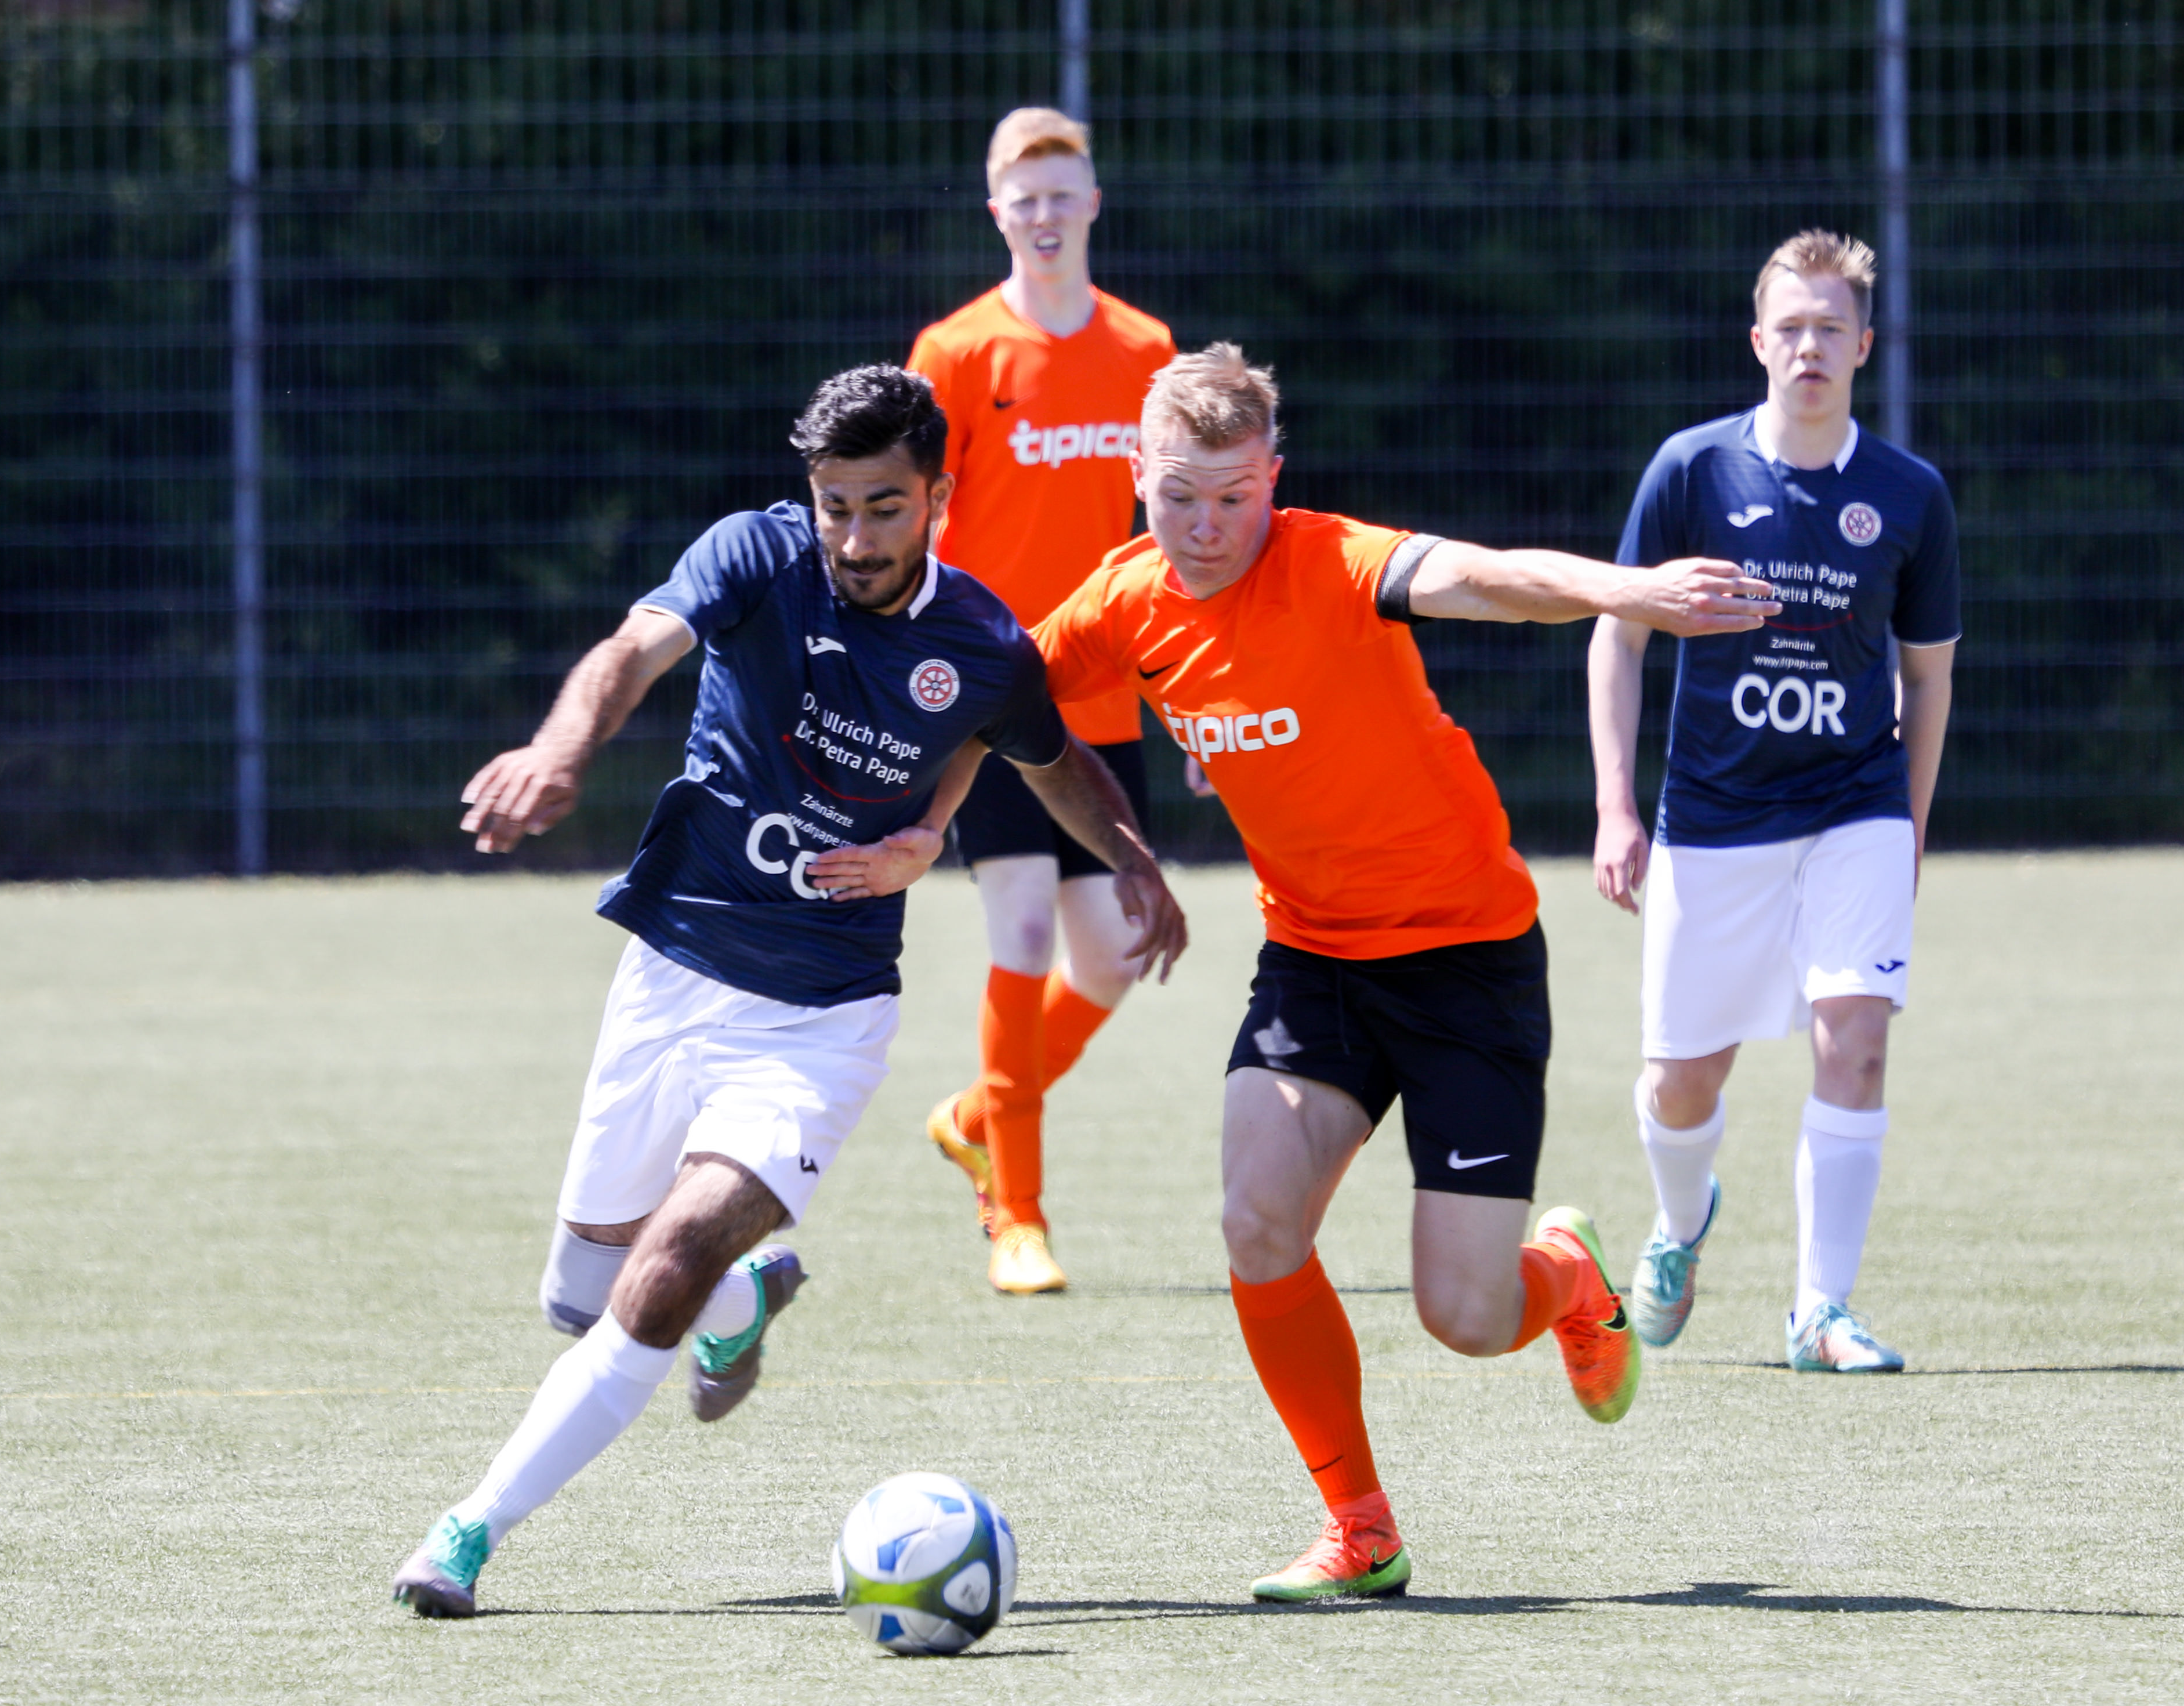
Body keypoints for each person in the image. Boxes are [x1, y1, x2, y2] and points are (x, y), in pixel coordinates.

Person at [390, 365, 1187, 1618]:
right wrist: (558, 748)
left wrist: (1135, 861)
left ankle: (467, 1531)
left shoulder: (982, 645)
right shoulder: (755, 558)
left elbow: (1051, 756)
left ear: (938, 498)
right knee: (581, 1299)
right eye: (836, 506)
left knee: (664, 1262)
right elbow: (632, 649)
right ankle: (741, 1299)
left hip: (821, 1015)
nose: (855, 539)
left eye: (885, 508)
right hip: (671, 972)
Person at [1029, 342, 1778, 1601]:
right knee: (1256, 1220)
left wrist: (1630, 591)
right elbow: (993, 701)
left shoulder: (1335, 562)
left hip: (1466, 962)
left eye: (1233, 496)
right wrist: (1088, 846)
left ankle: (1567, 1276)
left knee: (1467, 1318)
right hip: (1313, 959)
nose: (1206, 526)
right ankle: (1361, 1527)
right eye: (1179, 495)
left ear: (1274, 478)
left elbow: (1487, 578)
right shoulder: (1122, 600)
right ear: (1137, 478)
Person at [1588, 229, 1960, 1375]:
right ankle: (1680, 1221)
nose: (1809, 347)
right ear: (1758, 341)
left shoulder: (1909, 494)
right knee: (1681, 1081)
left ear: (1864, 345)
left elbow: (1927, 678)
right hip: (1713, 816)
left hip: (1855, 805)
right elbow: (1617, 638)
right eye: (1790, 327)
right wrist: (1615, 806)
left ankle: (1819, 1310)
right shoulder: (1692, 470)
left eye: (1830, 328)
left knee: (1855, 1042)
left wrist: (1909, 825)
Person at [905, 107, 1177, 1294]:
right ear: (996, 213)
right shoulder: (956, 351)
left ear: (1094, 203)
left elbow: (1176, 533)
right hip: (993, 698)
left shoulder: (1147, 349)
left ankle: (978, 1112)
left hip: (1106, 699)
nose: (1046, 215)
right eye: (1026, 200)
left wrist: (1189, 691)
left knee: (1112, 958)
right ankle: (1016, 1215)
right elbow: (914, 521)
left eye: (1065, 194)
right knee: (1018, 934)